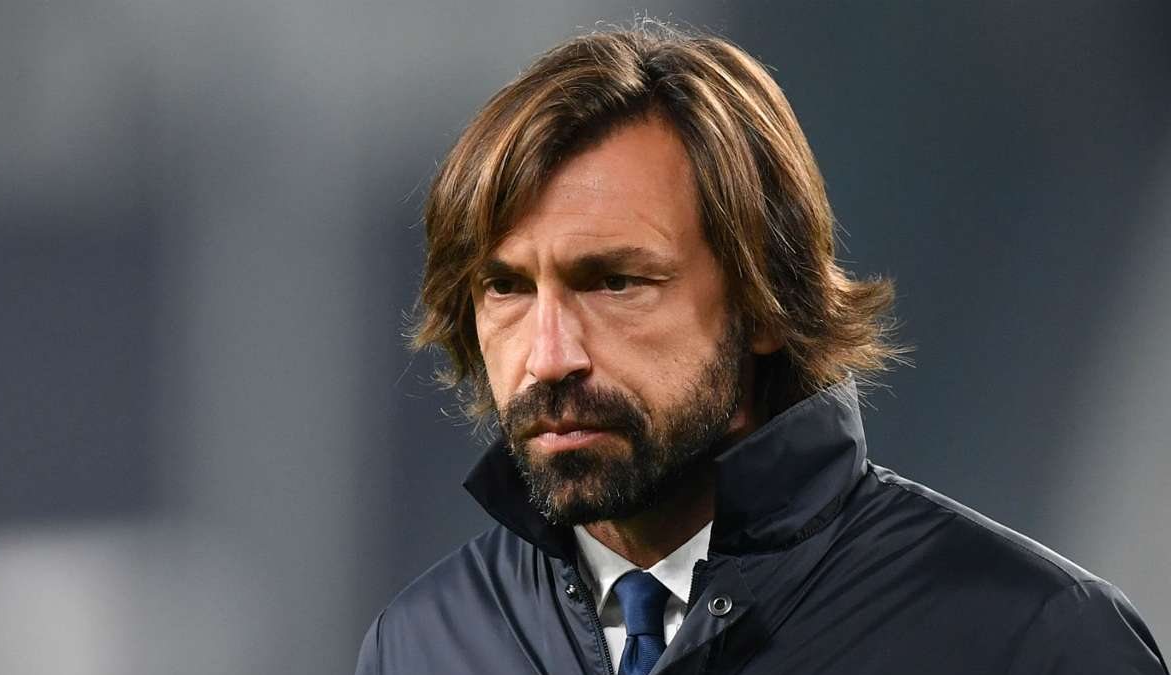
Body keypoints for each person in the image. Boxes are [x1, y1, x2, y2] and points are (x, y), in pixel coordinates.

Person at [355, 23, 1167, 675]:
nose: (548, 356)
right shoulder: (420, 642)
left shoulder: (1031, 639)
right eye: (506, 288)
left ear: (764, 301)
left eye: (615, 283)